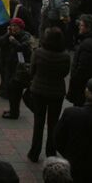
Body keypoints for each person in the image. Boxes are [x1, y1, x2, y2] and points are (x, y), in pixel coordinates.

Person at [27, 27, 71, 162]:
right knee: (53, 123)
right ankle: (51, 151)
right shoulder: (65, 56)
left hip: (39, 90)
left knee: (38, 121)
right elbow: (65, 73)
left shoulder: (38, 53)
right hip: (56, 92)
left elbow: (32, 71)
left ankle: (34, 151)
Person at [0, 17, 32, 119]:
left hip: (20, 68)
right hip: (10, 66)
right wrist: (8, 34)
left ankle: (14, 112)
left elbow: (24, 48)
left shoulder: (26, 36)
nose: (13, 28)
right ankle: (12, 110)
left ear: (21, 27)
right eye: (12, 26)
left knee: (16, 91)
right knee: (10, 90)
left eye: (15, 26)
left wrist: (14, 42)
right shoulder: (10, 35)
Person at [66, 14, 92, 106]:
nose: (79, 27)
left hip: (82, 85)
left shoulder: (88, 44)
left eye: (82, 25)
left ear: (89, 27)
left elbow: (83, 68)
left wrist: (75, 78)